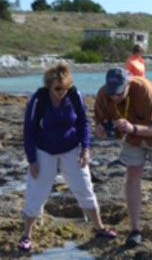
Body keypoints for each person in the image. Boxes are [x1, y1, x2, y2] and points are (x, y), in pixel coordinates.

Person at [19, 63, 117, 252]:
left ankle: (99, 228)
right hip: (44, 150)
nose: (61, 92)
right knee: (36, 193)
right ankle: (26, 235)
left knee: (85, 188)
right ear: (49, 85)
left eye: (64, 88)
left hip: (71, 149)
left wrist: (85, 149)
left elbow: (83, 123)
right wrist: (32, 159)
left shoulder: (75, 95)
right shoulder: (38, 99)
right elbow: (29, 130)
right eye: (57, 88)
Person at [93, 68, 152, 247]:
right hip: (131, 139)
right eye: (112, 93)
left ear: (128, 84)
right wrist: (100, 129)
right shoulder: (104, 94)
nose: (115, 97)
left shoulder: (145, 90)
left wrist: (133, 128)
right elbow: (100, 122)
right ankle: (135, 229)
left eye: (119, 93)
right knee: (132, 175)